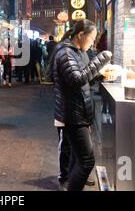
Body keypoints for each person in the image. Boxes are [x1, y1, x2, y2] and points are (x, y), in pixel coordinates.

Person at [53, 19, 112, 191]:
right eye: (92, 38)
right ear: (81, 35)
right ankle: (69, 183)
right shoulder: (65, 53)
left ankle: (71, 183)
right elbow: (77, 79)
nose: (93, 42)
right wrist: (102, 59)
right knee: (86, 161)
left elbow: (84, 78)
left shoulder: (78, 52)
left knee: (77, 158)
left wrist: (101, 76)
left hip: (79, 112)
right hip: (71, 114)